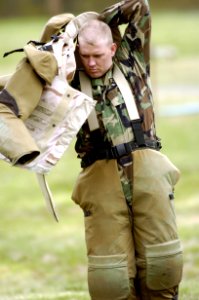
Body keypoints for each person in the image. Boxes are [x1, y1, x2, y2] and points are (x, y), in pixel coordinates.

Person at [71, 1, 183, 299]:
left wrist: (93, 23)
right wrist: (71, 35)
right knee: (110, 279)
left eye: (98, 55)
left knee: (163, 265)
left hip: (147, 168)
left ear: (112, 48)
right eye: (85, 55)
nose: (91, 62)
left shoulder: (132, 58)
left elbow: (139, 6)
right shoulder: (68, 74)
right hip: (100, 178)